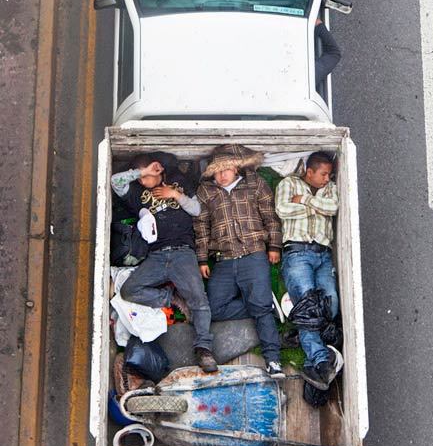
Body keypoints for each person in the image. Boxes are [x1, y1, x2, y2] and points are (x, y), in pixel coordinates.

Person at [111, 151, 217, 373]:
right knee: (129, 290)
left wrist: (175, 195)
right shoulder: (137, 192)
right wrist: (143, 172)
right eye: (140, 177)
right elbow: (115, 181)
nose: (143, 181)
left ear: (159, 169)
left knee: (199, 299)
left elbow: (197, 210)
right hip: (156, 255)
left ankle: (204, 349)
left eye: (147, 176)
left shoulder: (177, 181)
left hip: (183, 252)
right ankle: (171, 298)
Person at [194, 144, 285, 379]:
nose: (222, 175)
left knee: (261, 311)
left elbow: (270, 217)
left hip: (254, 254)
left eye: (226, 170)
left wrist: (274, 245)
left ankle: (273, 360)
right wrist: (202, 258)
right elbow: (201, 227)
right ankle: (264, 305)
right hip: (223, 260)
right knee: (213, 308)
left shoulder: (254, 183)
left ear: (236, 168)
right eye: (217, 171)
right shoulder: (206, 192)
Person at [275, 151, 341, 390]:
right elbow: (283, 209)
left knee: (331, 303)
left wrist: (304, 201)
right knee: (308, 304)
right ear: (309, 172)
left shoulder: (329, 188)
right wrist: (316, 207)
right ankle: (321, 362)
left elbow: (332, 207)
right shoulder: (288, 183)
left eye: (329, 175)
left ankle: (298, 335)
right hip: (298, 252)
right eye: (323, 174)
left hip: (323, 253)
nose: (327, 179)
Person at [315, 19, 341, 86]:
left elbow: (334, 54)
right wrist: (319, 26)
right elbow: (334, 54)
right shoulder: (309, 77)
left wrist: (319, 26)